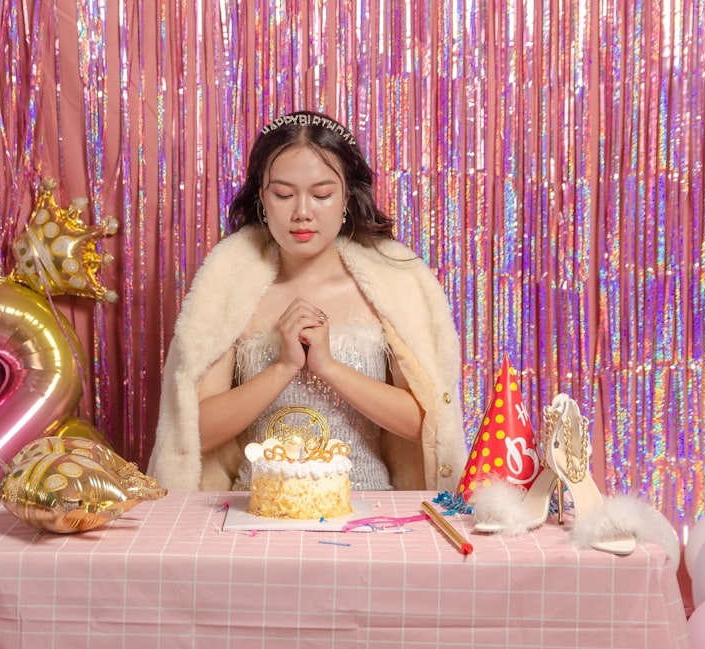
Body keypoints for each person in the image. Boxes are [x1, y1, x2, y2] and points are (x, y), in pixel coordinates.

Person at [148, 110, 467, 492]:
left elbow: (428, 423)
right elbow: (192, 432)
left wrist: (329, 367)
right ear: (262, 198)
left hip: (370, 514)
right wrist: (282, 367)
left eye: (321, 195)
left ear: (347, 196)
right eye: (283, 194)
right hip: (256, 515)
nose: (302, 213)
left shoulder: (390, 289)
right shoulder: (231, 292)